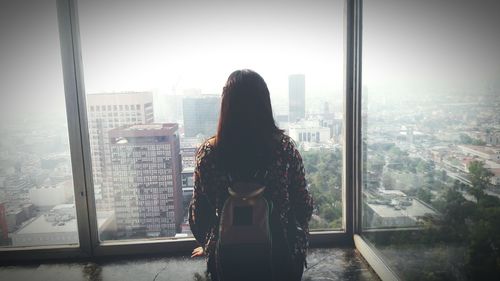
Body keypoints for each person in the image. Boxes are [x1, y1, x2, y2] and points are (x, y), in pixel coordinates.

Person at [189, 69, 313, 281]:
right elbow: (303, 206)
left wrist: (210, 243)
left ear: (226, 106)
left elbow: (198, 215)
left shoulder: (208, 154)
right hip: (281, 261)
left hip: (226, 262)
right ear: (265, 104)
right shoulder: (284, 150)